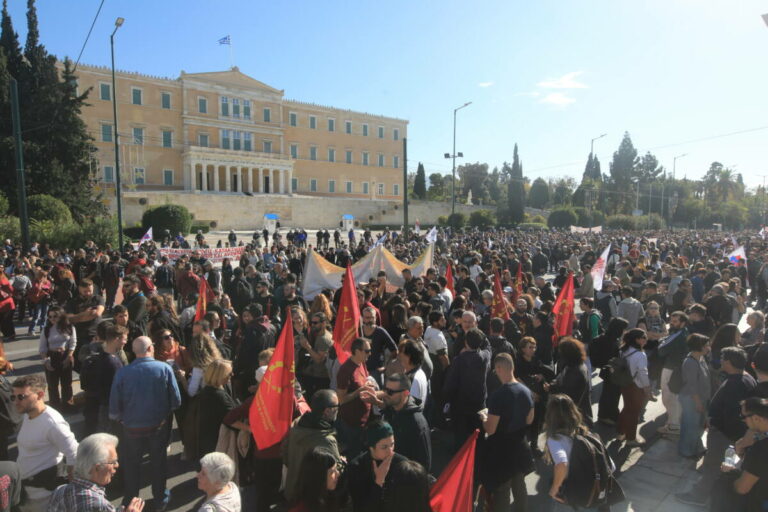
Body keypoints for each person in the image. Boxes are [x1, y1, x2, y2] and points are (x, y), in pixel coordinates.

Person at [109, 336, 181, 511]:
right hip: (158, 426)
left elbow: (114, 404)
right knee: (158, 462)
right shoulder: (164, 368)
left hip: (131, 428)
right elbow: (176, 400)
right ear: (150, 348)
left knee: (132, 463)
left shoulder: (123, 372)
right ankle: (160, 498)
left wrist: (120, 419)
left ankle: (130, 500)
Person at [12, 374, 78, 512]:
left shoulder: (53, 424)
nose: (16, 402)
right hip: (26, 492)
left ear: (40, 394)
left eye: (21, 397)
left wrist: (72, 486)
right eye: (14, 397)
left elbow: (74, 453)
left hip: (44, 497)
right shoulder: (27, 415)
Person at [478, 353, 534, 512]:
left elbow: (491, 429)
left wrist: (484, 418)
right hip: (520, 446)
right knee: (519, 485)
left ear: (499, 368)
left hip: (502, 451)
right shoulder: (526, 391)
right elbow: (530, 420)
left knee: (502, 491)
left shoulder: (497, 396)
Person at [544, 393, 613, 512]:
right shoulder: (587, 434)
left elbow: (561, 464)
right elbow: (611, 466)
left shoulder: (555, 440)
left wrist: (554, 489)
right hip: (597, 495)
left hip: (575, 496)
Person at [347, 421, 431, 512]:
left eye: (392, 444)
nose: (390, 451)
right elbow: (361, 506)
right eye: (384, 447)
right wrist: (378, 481)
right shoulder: (356, 467)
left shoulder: (401, 463)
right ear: (371, 447)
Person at [48, 433, 145, 512]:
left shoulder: (60, 490)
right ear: (97, 468)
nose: (117, 465)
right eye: (113, 462)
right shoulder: (98, 505)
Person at [282, 389, 342, 504]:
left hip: (292, 491)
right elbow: (336, 471)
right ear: (327, 411)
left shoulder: (297, 424)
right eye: (337, 406)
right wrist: (342, 463)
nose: (338, 409)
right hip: (314, 498)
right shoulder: (327, 440)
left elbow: (284, 454)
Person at [715, 397, 768, 512]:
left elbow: (742, 488)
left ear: (756, 418)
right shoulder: (760, 442)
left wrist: (730, 475)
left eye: (743, 417)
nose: (743, 421)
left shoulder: (761, 448)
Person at [444, 327, 491, 452]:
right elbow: (488, 347)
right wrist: (481, 336)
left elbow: (451, 384)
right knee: (478, 432)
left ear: (465, 342)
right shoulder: (484, 357)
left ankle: (460, 455)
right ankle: (478, 455)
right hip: (479, 403)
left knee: (461, 434)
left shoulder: (459, 360)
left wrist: (448, 399)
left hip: (461, 404)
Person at [373, 373, 432, 470]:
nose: (385, 395)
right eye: (385, 390)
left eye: (390, 392)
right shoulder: (390, 411)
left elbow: (424, 464)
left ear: (405, 393)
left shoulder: (417, 423)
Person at [81, 323, 127, 436]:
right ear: (117, 339)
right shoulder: (113, 361)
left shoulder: (99, 356)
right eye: (125, 339)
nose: (126, 342)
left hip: (97, 402)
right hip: (109, 405)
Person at [336, 338, 375, 458]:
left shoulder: (362, 363)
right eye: (367, 351)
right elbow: (341, 399)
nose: (370, 354)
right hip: (351, 424)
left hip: (364, 421)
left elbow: (364, 381)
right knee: (354, 456)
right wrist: (359, 391)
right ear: (357, 351)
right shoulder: (345, 370)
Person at [678, 333, 711, 459]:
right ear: (699, 346)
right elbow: (691, 385)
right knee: (690, 426)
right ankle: (686, 451)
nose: (709, 348)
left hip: (700, 398)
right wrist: (698, 402)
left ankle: (697, 447)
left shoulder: (701, 358)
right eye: (706, 345)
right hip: (691, 399)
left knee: (698, 425)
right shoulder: (690, 362)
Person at [656, 311, 690, 436]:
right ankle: (673, 422)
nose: (672, 323)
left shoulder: (679, 335)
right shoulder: (681, 332)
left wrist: (662, 341)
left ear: (683, 323)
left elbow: (661, 350)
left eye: (675, 321)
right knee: (673, 397)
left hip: (672, 369)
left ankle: (674, 426)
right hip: (676, 368)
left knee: (670, 397)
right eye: (671, 320)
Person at [616, 329, 651, 446]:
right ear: (637, 340)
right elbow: (643, 373)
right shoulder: (640, 355)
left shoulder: (624, 350)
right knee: (634, 412)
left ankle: (621, 433)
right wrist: (647, 387)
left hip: (625, 383)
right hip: (636, 386)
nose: (646, 339)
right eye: (644, 337)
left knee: (627, 408)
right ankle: (631, 438)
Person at [548, 337, 593, 426]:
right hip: (577, 412)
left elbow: (567, 394)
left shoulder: (576, 371)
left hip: (575, 415)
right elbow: (561, 378)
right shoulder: (574, 365)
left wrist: (551, 388)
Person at [38, 306, 76, 409]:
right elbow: (42, 348)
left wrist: (69, 356)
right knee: (52, 385)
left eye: (55, 316)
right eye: (50, 317)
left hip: (65, 355)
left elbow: (73, 343)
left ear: (61, 316)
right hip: (52, 356)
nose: (52, 319)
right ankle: (55, 406)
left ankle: (68, 405)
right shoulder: (46, 330)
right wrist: (46, 361)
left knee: (67, 384)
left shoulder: (69, 327)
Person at [64, 279, 105, 373]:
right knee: (81, 364)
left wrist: (78, 317)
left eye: (90, 290)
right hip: (80, 336)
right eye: (85, 291)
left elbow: (97, 313)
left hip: (96, 336)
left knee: (97, 364)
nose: (88, 293)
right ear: (79, 289)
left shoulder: (98, 299)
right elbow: (70, 319)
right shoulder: (72, 302)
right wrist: (86, 313)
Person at [289, 447, 344, 512]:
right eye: (332, 472)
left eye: (336, 469)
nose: (338, 474)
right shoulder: (300, 509)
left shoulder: (329, 497)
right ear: (319, 477)